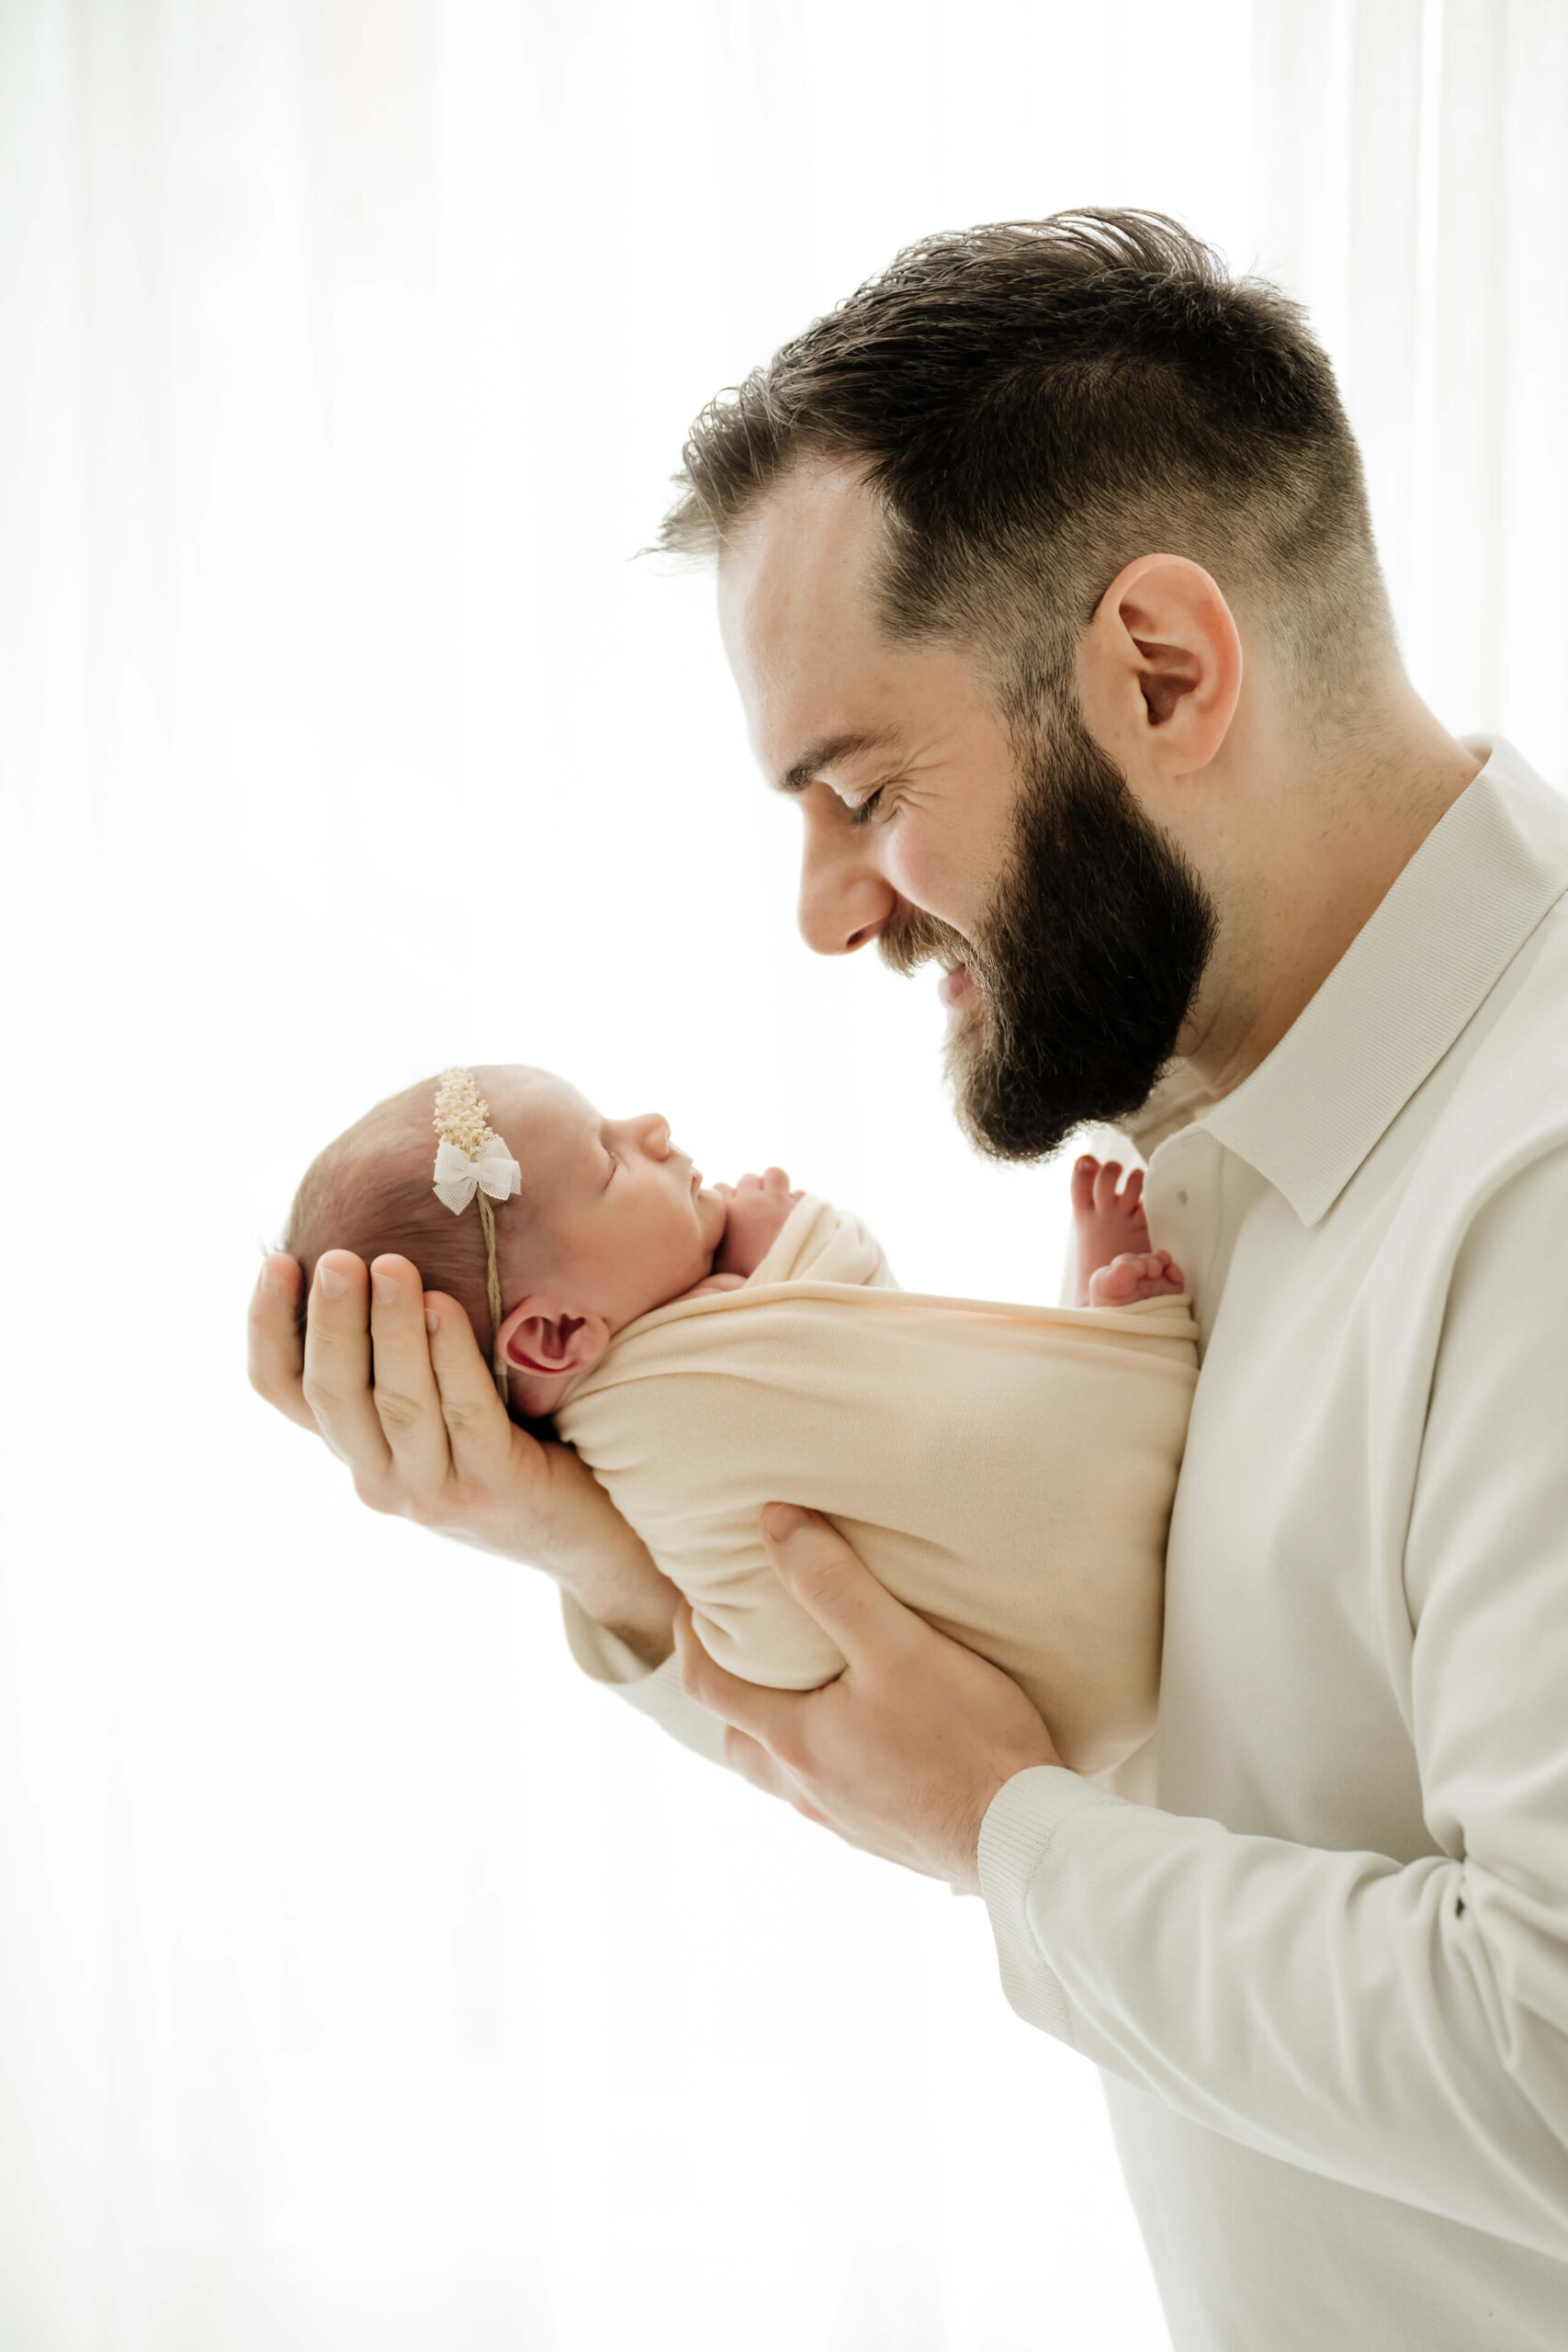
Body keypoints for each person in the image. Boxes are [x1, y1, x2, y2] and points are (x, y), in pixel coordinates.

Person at [250, 208, 1568, 2346]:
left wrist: (1005, 1836)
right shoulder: (1213, 1122)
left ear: (1160, 669)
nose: (819, 912)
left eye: (857, 789)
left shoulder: (1534, 1182)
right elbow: (1055, 1668)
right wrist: (588, 1542)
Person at [280, 1062, 1192, 1773]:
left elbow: (890, 1385)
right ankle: (1101, 1342)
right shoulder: (659, 1424)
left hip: (1079, 1695)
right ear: (555, 1334)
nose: (652, 1130)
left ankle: (1087, 1336)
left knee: (984, 1444)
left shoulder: (678, 1354)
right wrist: (794, 1244)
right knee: (1016, 1454)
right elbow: (850, 1298)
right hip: (1065, 1640)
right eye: (609, 1159)